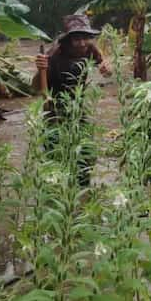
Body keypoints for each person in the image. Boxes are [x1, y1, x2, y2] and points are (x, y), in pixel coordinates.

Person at [33, 14, 112, 185]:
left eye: (85, 37)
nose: (82, 43)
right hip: (55, 108)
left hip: (78, 104)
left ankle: (82, 191)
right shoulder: (55, 54)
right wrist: (40, 69)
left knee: (86, 150)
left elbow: (105, 67)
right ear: (69, 40)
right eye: (77, 39)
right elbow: (35, 87)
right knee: (55, 153)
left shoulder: (90, 49)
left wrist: (107, 68)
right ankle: (54, 191)